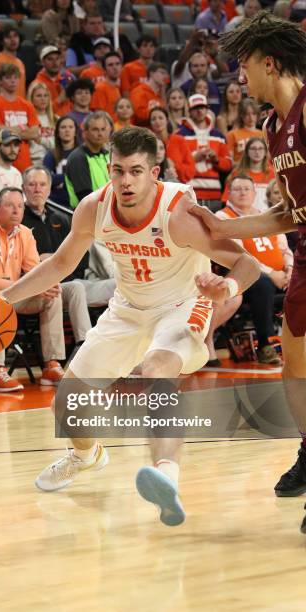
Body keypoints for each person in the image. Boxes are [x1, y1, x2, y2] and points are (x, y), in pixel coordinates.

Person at [0, 126, 260, 525]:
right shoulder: (94, 207)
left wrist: (226, 285)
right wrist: (2, 300)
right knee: (66, 406)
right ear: (109, 168)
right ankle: (86, 456)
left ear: (154, 172)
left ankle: (166, 477)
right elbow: (59, 265)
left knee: (156, 371)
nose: (125, 181)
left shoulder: (179, 215)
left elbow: (248, 264)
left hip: (181, 306)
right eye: (118, 170)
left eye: (136, 171)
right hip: (127, 310)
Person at [189, 11, 306, 531]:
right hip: (304, 250)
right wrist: (220, 228)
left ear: (271, 63)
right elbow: (286, 213)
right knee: (294, 363)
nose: (241, 78)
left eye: (245, 66)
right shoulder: (270, 125)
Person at [0, 187, 66, 391]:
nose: (16, 211)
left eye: (20, 206)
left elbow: (35, 272)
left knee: (52, 295)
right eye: (9, 205)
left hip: (11, 293)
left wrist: (42, 286)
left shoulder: (24, 233)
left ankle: (51, 365)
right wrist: (31, 288)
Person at [206, 174, 293, 365]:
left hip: (279, 274)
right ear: (229, 193)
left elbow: (285, 249)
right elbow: (240, 256)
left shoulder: (266, 215)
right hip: (245, 276)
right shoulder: (223, 217)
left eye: (247, 189)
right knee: (262, 283)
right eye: (238, 189)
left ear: (255, 193)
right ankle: (265, 345)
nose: (243, 192)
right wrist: (271, 274)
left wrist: (290, 269)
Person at [22, 167, 92, 348]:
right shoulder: (18, 220)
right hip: (34, 287)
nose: (37, 189)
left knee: (83, 287)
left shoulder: (62, 219)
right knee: (66, 289)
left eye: (42, 184)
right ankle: (59, 360)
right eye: (32, 184)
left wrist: (55, 259)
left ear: (49, 188)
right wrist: (40, 262)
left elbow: (83, 258)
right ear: (24, 188)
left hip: (67, 282)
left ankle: (85, 346)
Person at [178, 93, 231, 206]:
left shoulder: (218, 136)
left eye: (202, 107)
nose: (199, 111)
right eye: (196, 108)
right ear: (189, 111)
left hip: (214, 193)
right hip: (189, 193)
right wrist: (193, 158)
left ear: (207, 109)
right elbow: (176, 164)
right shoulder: (180, 135)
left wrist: (216, 160)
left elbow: (228, 164)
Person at [0, 63, 40, 173]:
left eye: (15, 77)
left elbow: (35, 133)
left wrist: (9, 130)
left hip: (24, 163)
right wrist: (23, 129)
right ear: (0, 81)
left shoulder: (27, 105)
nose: (13, 81)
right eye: (8, 77)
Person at [64, 110, 110, 208]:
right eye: (95, 129)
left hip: (106, 211)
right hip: (87, 215)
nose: (100, 133)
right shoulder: (78, 158)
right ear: (85, 133)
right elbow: (85, 197)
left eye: (103, 129)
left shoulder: (108, 155)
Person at [222, 137, 274, 209]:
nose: (257, 152)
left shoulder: (273, 174)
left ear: (266, 152)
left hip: (267, 217)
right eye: (253, 148)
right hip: (243, 217)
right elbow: (227, 201)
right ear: (247, 152)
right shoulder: (237, 174)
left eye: (260, 148)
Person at [148, 107, 195, 184]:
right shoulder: (147, 143)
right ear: (150, 123)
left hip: (177, 186)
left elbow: (191, 171)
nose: (157, 121)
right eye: (153, 119)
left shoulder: (179, 140)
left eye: (160, 118)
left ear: (167, 120)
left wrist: (175, 165)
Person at [43, 115, 80, 208]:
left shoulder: (82, 154)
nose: (67, 130)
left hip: (79, 204)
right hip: (56, 204)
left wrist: (58, 178)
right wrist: (69, 176)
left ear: (75, 131)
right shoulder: (50, 155)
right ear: (58, 132)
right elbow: (46, 180)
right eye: (63, 127)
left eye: (70, 127)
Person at [0, 26, 26, 99]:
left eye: (15, 36)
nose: (13, 40)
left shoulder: (20, 63)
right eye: (8, 37)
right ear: (1, 41)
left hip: (19, 106)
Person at [34, 45, 75, 116]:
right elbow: (38, 111)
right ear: (43, 62)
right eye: (50, 59)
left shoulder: (67, 78)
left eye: (57, 58)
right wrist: (59, 100)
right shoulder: (37, 84)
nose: (55, 62)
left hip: (68, 122)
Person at [27, 81, 57, 166]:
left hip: (53, 162)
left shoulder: (56, 119)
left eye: (45, 96)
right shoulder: (26, 120)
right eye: (39, 96)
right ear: (31, 98)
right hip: (33, 163)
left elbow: (59, 144)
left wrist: (41, 140)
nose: (43, 99)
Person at [130, 62, 168, 127]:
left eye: (166, 74)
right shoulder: (139, 91)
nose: (165, 76)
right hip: (140, 132)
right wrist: (156, 113)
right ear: (151, 73)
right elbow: (138, 115)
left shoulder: (159, 94)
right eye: (162, 73)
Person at [227, 98, 263, 165]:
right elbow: (229, 162)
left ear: (257, 115)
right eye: (247, 114)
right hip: (240, 173)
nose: (251, 117)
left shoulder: (263, 134)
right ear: (241, 115)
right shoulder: (232, 134)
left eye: (253, 114)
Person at [91, 51, 122, 120]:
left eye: (117, 64)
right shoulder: (100, 88)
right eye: (110, 65)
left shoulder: (117, 87)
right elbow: (98, 116)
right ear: (104, 70)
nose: (115, 67)